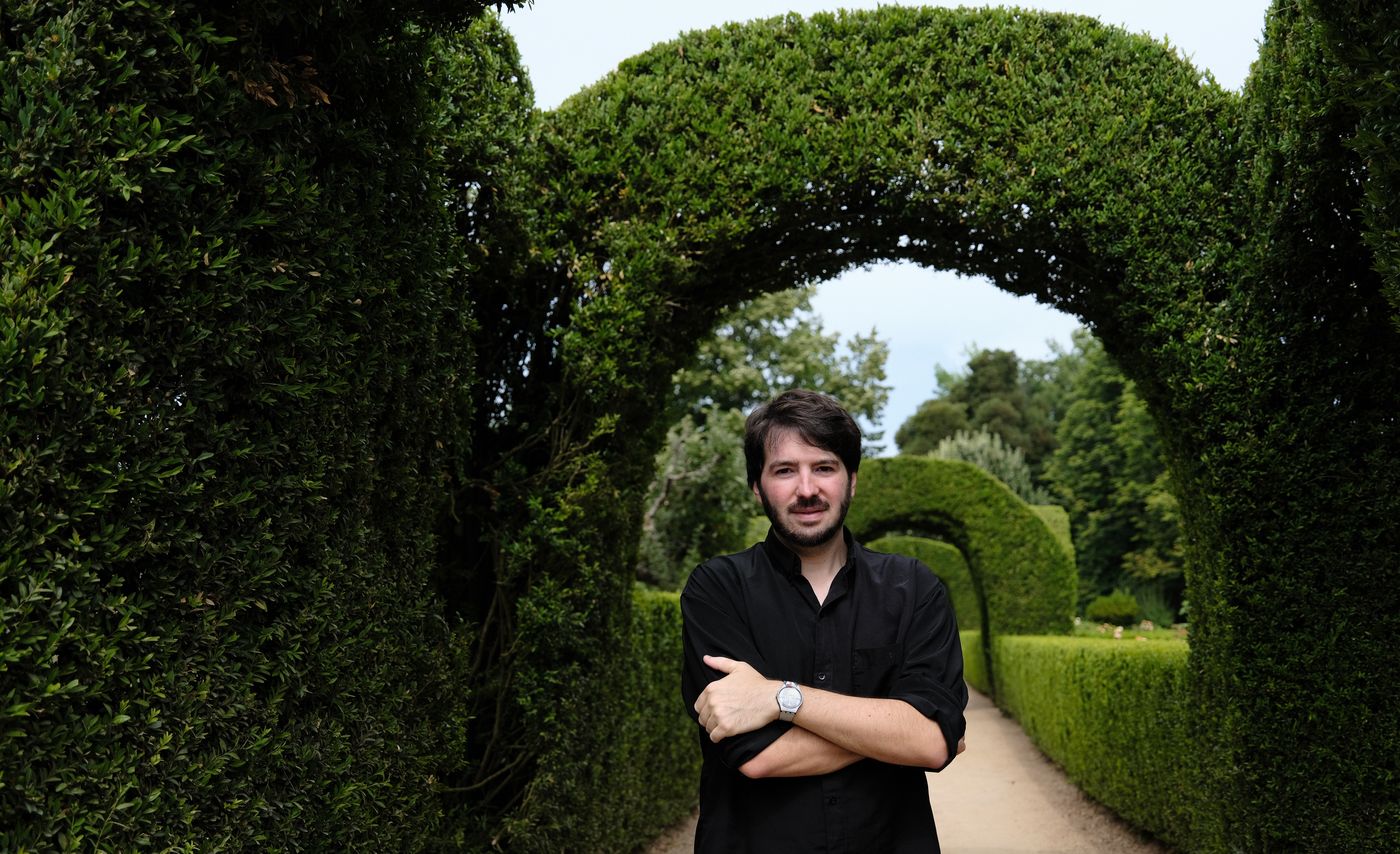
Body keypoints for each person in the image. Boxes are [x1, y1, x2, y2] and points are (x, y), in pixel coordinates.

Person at [680, 389, 968, 853]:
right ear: (757, 486)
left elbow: (930, 742)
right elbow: (757, 756)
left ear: (852, 480)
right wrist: (903, 732)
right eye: (785, 470)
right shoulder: (717, 590)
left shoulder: (916, 588)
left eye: (825, 467)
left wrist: (780, 698)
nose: (807, 489)